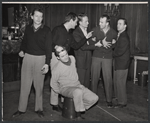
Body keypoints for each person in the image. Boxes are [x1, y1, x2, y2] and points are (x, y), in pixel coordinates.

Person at [12, 8, 52, 118]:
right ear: (32, 16)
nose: (39, 18)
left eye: (41, 16)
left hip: (40, 59)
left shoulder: (47, 30)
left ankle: (39, 109)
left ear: (42, 18)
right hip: (28, 58)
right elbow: (24, 42)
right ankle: (21, 109)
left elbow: (49, 49)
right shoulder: (28, 29)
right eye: (36, 16)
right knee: (24, 85)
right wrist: (22, 50)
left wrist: (47, 63)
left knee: (38, 86)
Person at [50, 12, 93, 112]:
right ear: (71, 20)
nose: (76, 24)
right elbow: (49, 43)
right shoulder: (58, 29)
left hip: (66, 57)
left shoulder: (69, 33)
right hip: (56, 57)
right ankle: (54, 104)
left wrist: (86, 38)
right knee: (56, 79)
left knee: (65, 80)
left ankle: (64, 101)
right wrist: (55, 47)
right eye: (76, 22)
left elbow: (76, 45)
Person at [50, 45, 99, 119]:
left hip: (77, 85)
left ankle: (78, 107)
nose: (66, 57)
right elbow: (53, 83)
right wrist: (60, 91)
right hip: (65, 88)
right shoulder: (57, 68)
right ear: (58, 58)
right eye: (62, 56)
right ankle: (78, 115)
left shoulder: (72, 58)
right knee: (78, 92)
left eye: (66, 54)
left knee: (94, 98)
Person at [90, 14, 117, 108]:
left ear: (107, 23)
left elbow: (115, 44)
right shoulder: (95, 30)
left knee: (108, 79)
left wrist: (113, 44)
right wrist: (101, 42)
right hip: (96, 57)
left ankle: (109, 100)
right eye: (99, 21)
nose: (99, 23)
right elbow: (89, 41)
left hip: (108, 58)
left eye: (102, 22)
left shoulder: (113, 32)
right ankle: (92, 100)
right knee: (94, 78)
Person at [73, 13, 102, 88]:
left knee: (87, 82)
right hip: (81, 60)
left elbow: (88, 43)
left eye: (88, 21)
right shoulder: (76, 32)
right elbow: (83, 47)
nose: (88, 23)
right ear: (80, 22)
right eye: (86, 21)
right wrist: (95, 45)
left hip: (88, 59)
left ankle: (86, 98)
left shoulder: (87, 31)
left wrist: (93, 40)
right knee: (81, 81)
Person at [113, 18, 130, 108]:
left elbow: (119, 51)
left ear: (125, 26)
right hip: (118, 62)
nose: (118, 25)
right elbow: (118, 47)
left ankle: (122, 102)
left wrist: (110, 53)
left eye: (120, 24)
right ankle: (117, 99)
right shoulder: (120, 35)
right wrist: (115, 43)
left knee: (120, 83)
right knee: (116, 82)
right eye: (117, 23)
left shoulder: (123, 37)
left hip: (122, 64)